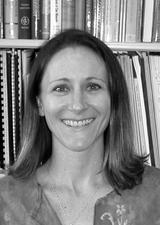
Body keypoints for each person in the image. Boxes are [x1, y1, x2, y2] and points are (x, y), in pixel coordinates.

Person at [0, 29, 160, 225]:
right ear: (40, 103)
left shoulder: (156, 195)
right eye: (61, 88)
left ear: (113, 98)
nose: (77, 105)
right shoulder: (5, 201)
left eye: (93, 86)